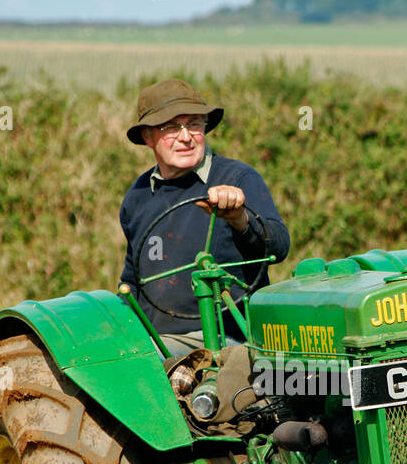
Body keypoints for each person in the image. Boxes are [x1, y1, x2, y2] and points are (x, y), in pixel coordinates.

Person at [119, 79, 291, 355]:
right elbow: (132, 280)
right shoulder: (138, 196)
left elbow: (279, 247)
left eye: (194, 124)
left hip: (225, 340)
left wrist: (239, 218)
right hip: (155, 340)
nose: (185, 137)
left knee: (134, 361)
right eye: (171, 127)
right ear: (147, 137)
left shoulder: (237, 178)